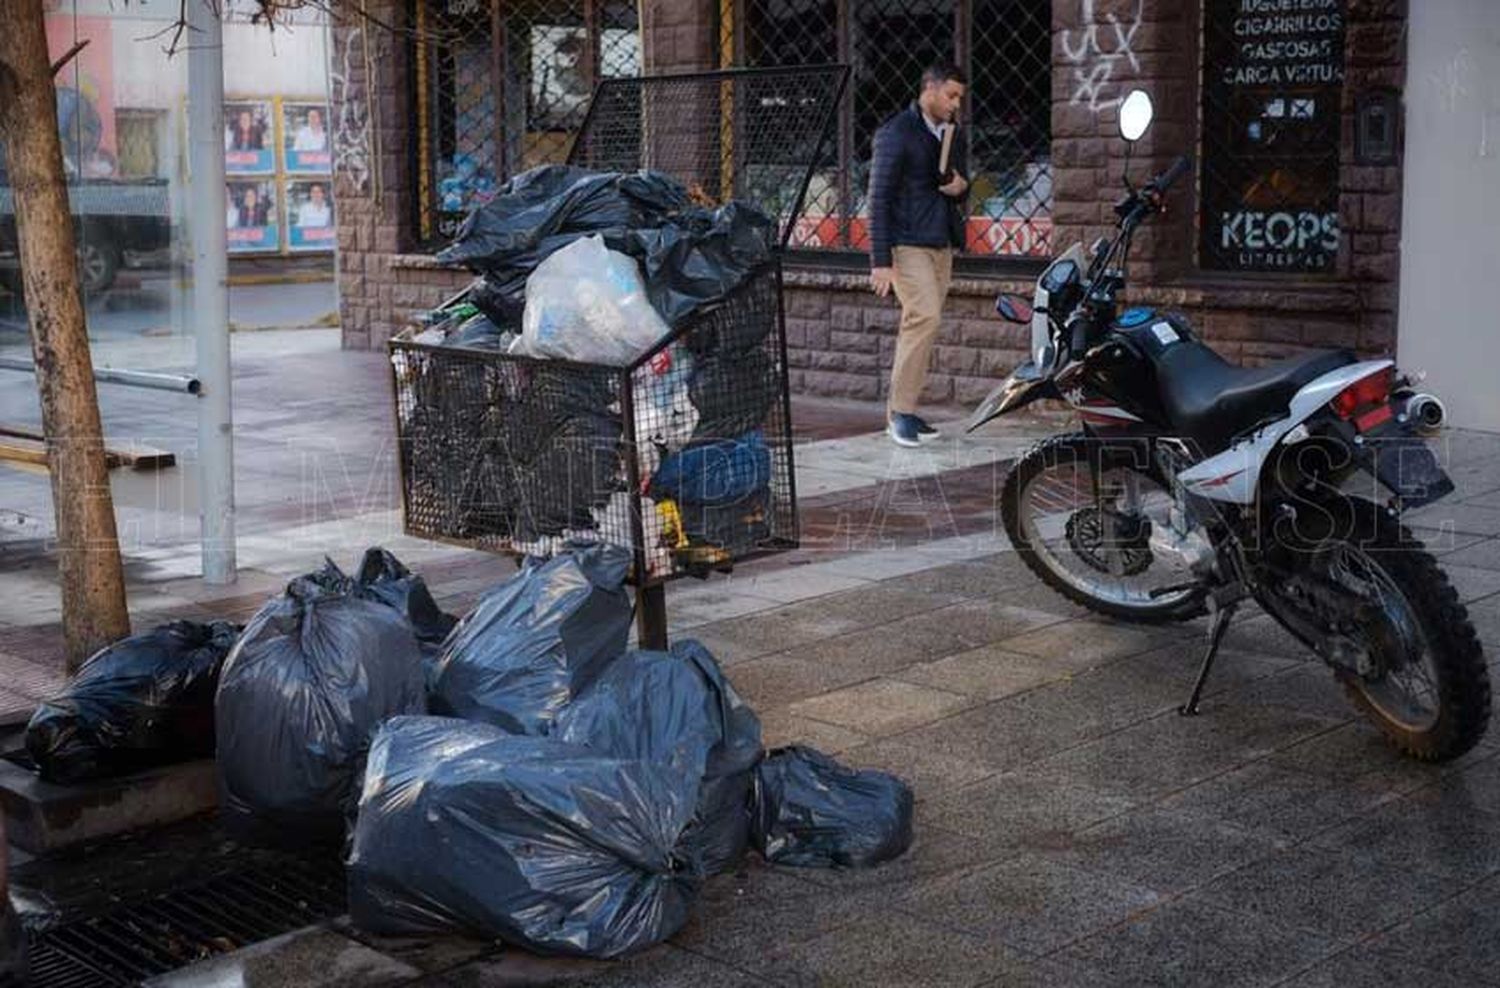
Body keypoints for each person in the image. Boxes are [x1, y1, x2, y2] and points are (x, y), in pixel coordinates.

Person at [868, 62, 969, 447]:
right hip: (907, 244)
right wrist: (880, 261)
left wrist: (960, 186)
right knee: (924, 315)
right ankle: (899, 414)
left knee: (924, 323)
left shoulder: (949, 133)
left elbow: (962, 184)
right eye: (951, 95)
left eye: (959, 98)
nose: (955, 104)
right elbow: (877, 198)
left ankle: (904, 408)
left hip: (941, 242)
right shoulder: (896, 133)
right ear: (929, 89)